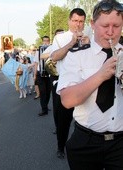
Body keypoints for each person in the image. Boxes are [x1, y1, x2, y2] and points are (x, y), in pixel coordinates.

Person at [57, 0, 123, 169]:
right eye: (105, 26)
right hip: (86, 142)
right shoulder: (77, 55)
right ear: (93, 24)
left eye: (116, 26)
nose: (110, 32)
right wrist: (100, 75)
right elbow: (67, 100)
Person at [50, 8, 88, 159]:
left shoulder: (89, 35)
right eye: (75, 21)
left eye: (81, 21)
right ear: (69, 21)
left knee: (85, 121)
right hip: (66, 86)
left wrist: (88, 42)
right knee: (63, 121)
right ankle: (61, 146)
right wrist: (71, 43)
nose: (77, 25)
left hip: (85, 86)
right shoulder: (60, 38)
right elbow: (54, 57)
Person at [34, 36, 51, 116]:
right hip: (40, 73)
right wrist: (34, 75)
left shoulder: (51, 49)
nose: (46, 42)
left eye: (47, 41)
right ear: (42, 41)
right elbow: (36, 63)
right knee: (43, 91)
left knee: (48, 92)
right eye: (44, 41)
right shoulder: (38, 51)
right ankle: (44, 109)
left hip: (49, 73)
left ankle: (46, 105)